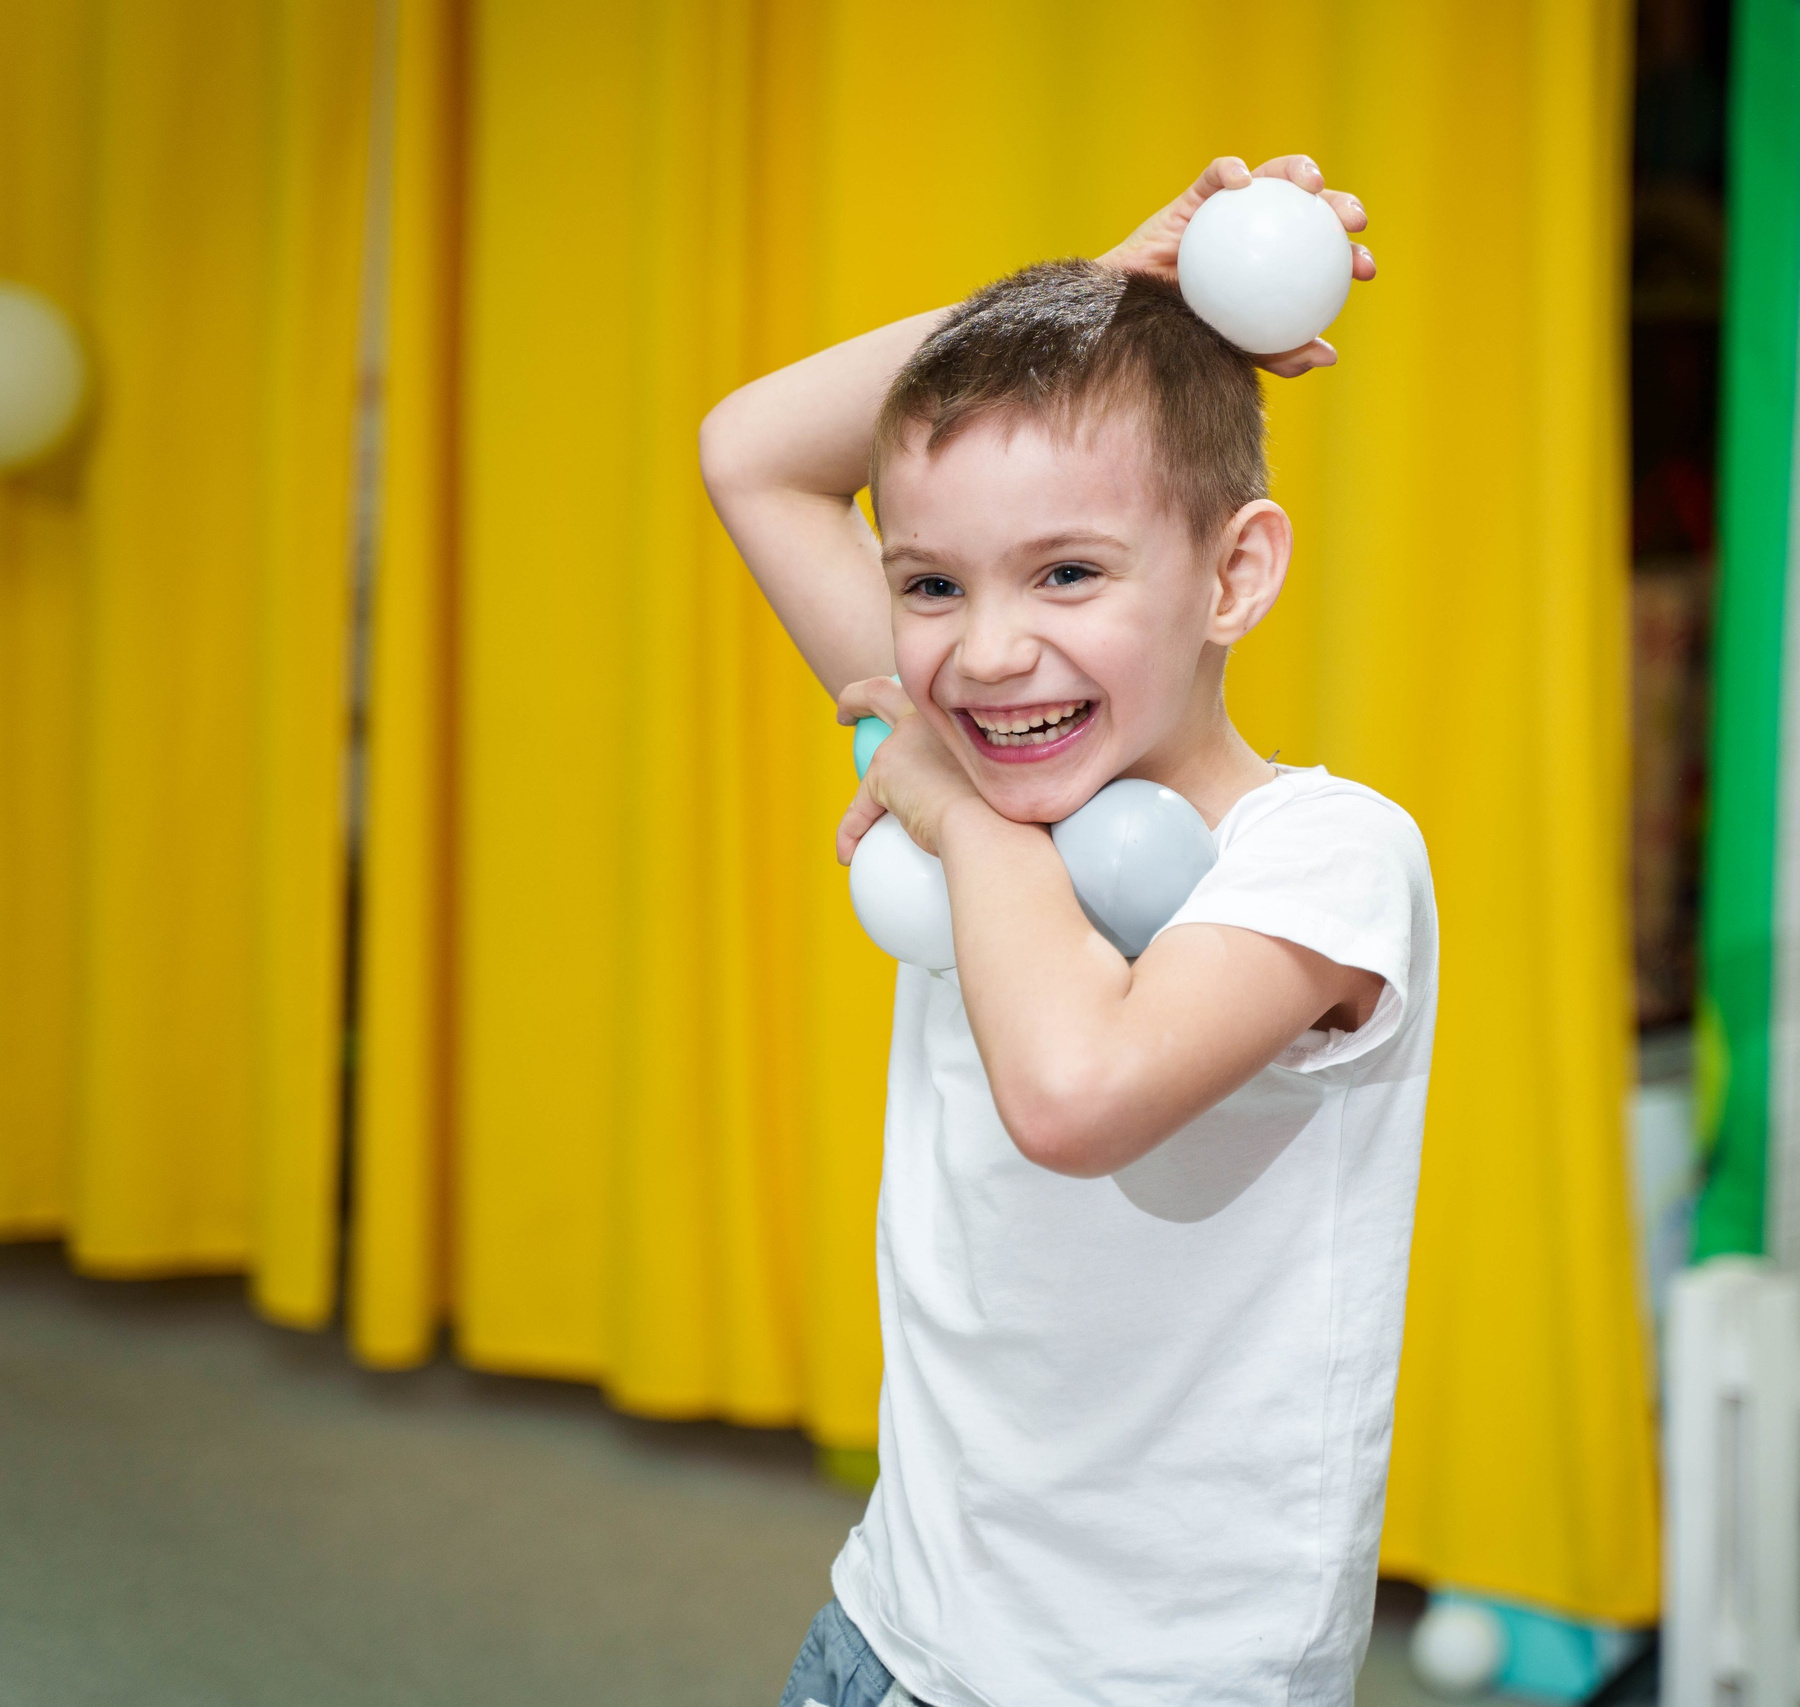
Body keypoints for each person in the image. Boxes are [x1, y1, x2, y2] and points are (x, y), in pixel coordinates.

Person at [699, 154, 1439, 1707]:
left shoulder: (1327, 858)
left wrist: (961, 822)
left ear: (1235, 571)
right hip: (887, 1637)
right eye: (927, 583)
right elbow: (750, 450)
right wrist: (1094, 304)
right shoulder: (988, 739)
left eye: (1070, 571)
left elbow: (1077, 1095)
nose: (989, 648)